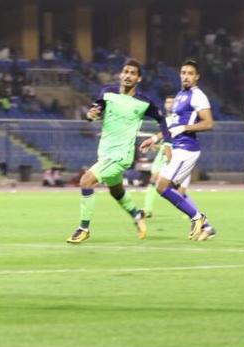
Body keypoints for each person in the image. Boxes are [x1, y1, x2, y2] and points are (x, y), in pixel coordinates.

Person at [67, 60, 169, 244]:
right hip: (105, 153)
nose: (128, 75)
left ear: (139, 78)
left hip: (121, 156)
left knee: (86, 180)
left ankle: (83, 229)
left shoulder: (144, 102)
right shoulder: (107, 92)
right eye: (126, 72)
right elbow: (97, 109)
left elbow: (163, 121)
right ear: (121, 75)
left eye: (133, 73)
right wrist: (91, 115)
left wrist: (163, 140)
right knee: (116, 191)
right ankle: (137, 215)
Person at [141, 59, 217, 241]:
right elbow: (172, 125)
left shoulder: (198, 96)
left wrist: (185, 128)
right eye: (183, 73)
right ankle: (207, 227)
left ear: (197, 77)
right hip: (178, 147)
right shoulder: (180, 96)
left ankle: (198, 218)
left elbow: (208, 123)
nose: (186, 76)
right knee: (174, 190)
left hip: (186, 148)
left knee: (161, 186)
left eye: (190, 73)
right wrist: (155, 138)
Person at [142, 96, 190, 218]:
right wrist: (157, 144)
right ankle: (147, 209)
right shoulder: (165, 119)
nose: (169, 104)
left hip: (174, 153)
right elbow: (165, 135)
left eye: (172, 102)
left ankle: (191, 211)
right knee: (153, 179)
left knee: (175, 186)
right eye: (167, 102)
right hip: (162, 153)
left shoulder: (180, 118)